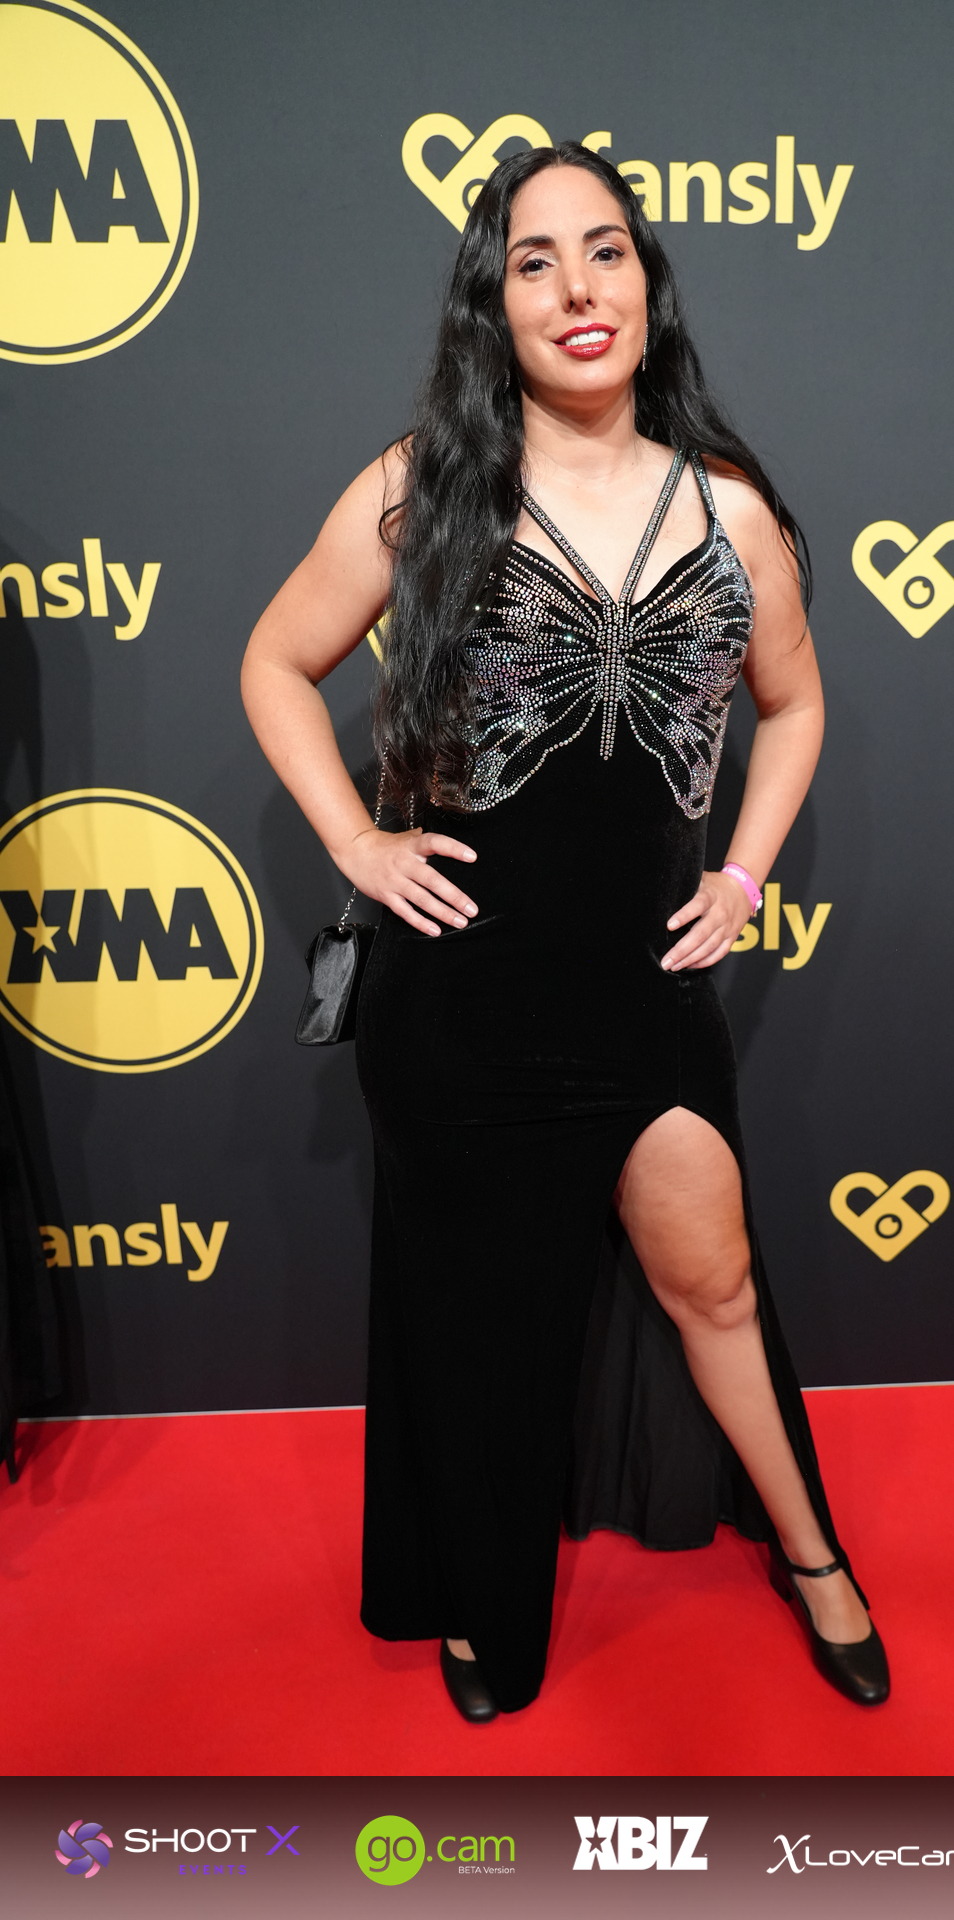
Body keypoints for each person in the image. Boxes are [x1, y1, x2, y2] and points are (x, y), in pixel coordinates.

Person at [241, 142, 889, 1723]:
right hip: (458, 1003)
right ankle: (483, 1599)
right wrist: (355, 841)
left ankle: (813, 1554)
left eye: (606, 251)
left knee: (715, 1284)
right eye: (535, 261)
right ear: (495, 300)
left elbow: (797, 704)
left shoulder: (727, 510)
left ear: (649, 285)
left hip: (644, 998)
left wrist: (744, 874)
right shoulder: (422, 489)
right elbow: (273, 661)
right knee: (485, 1332)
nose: (578, 288)